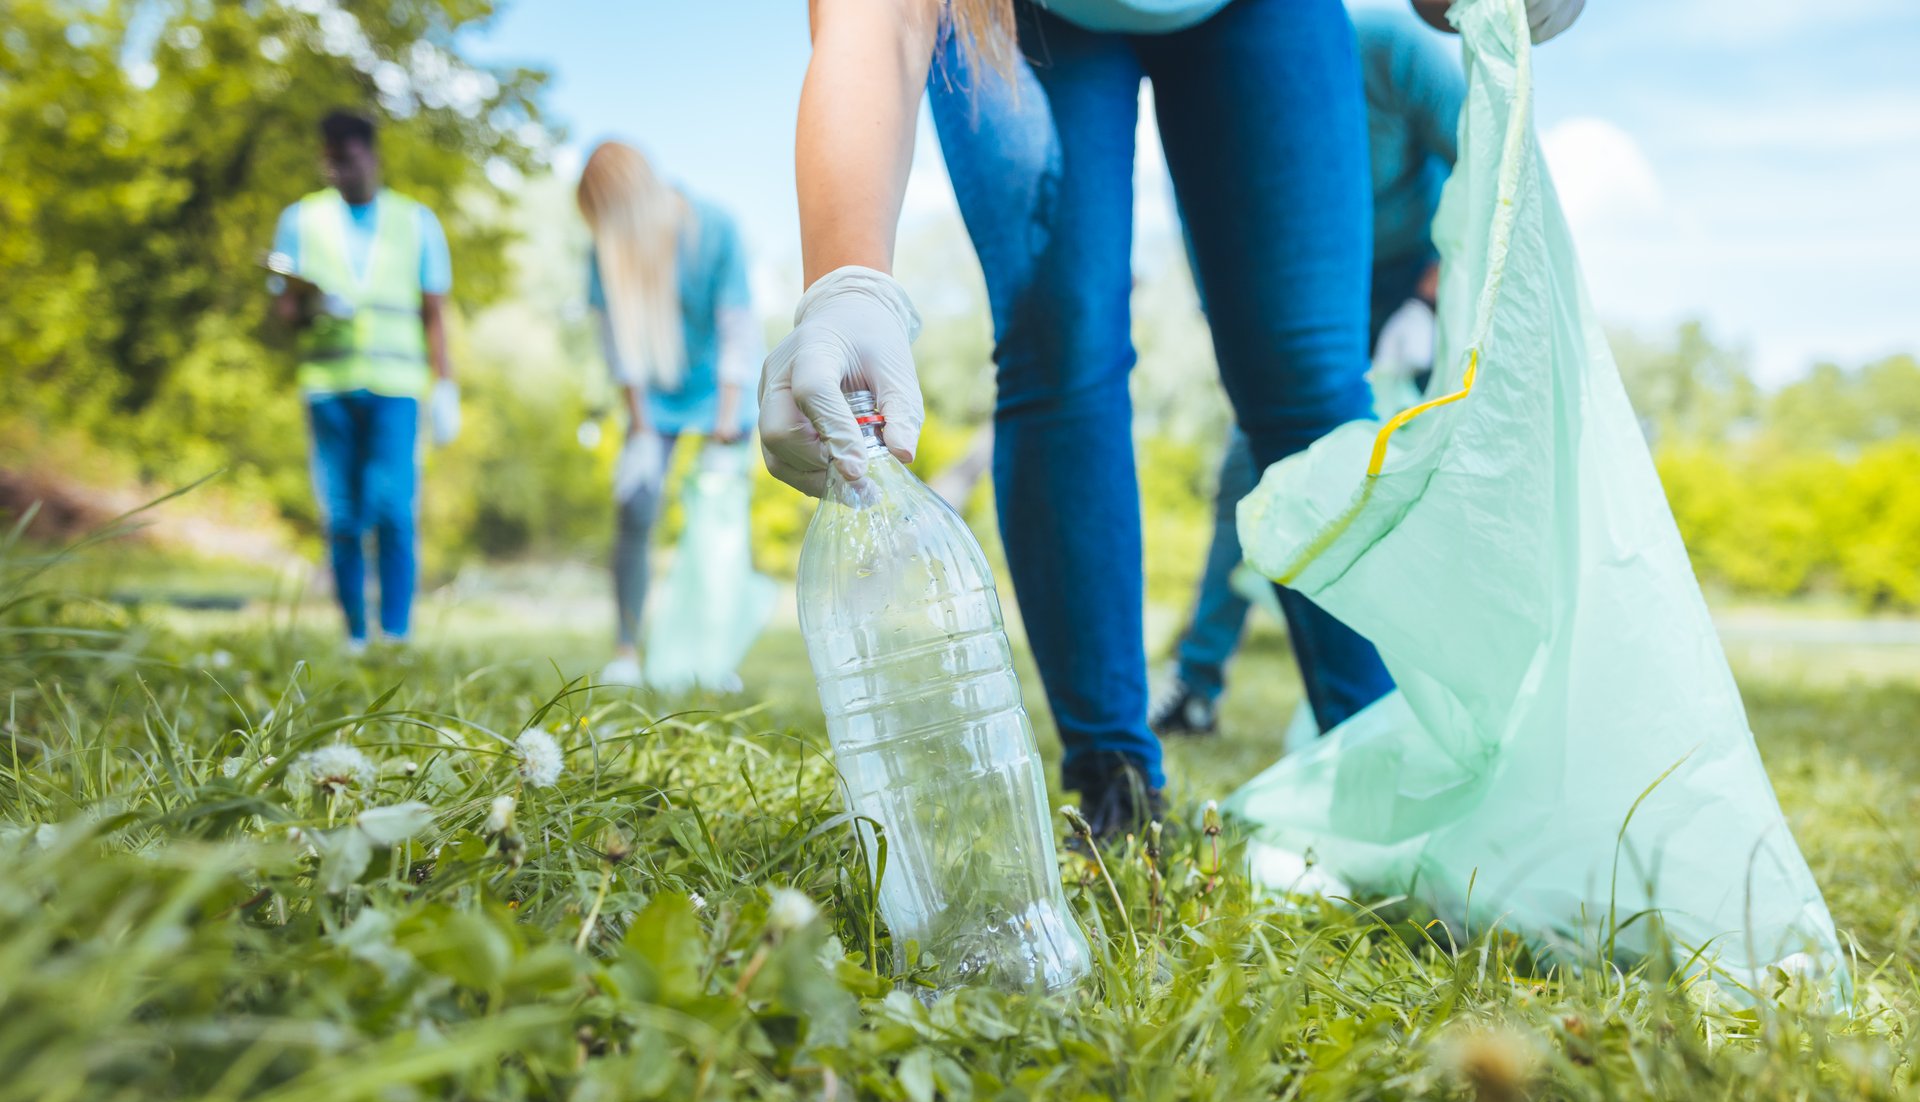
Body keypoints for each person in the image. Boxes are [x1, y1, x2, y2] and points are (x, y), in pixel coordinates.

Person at [759, 0, 1582, 837]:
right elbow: (878, 17)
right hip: (1027, 17)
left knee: (1307, 383)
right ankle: (1114, 780)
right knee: (1063, 345)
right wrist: (847, 283)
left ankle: (1392, 769)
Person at [1152, 4, 1462, 738]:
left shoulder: (1388, 54)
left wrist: (1430, 292)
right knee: (1253, 467)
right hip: (1325, 290)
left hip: (1425, 279)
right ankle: (1197, 681)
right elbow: (1221, 232)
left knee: (1441, 476)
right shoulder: (1225, 83)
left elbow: (1490, 161)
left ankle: (1448, 683)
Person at [269, 109, 458, 654]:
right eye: (330, 162)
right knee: (344, 516)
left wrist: (445, 386)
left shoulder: (416, 221)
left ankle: (396, 631)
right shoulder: (300, 221)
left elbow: (435, 312)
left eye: (348, 161)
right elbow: (283, 310)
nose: (339, 173)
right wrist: (312, 305)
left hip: (398, 388)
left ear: (371, 157)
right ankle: (354, 632)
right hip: (328, 386)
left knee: (393, 509)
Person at [576, 141, 760, 687]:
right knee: (635, 511)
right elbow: (619, 348)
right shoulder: (604, 253)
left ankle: (714, 656)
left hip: (721, 392)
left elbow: (738, 328)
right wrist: (640, 426)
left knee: (719, 528)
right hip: (653, 401)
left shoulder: (715, 228)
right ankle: (626, 652)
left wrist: (727, 417)